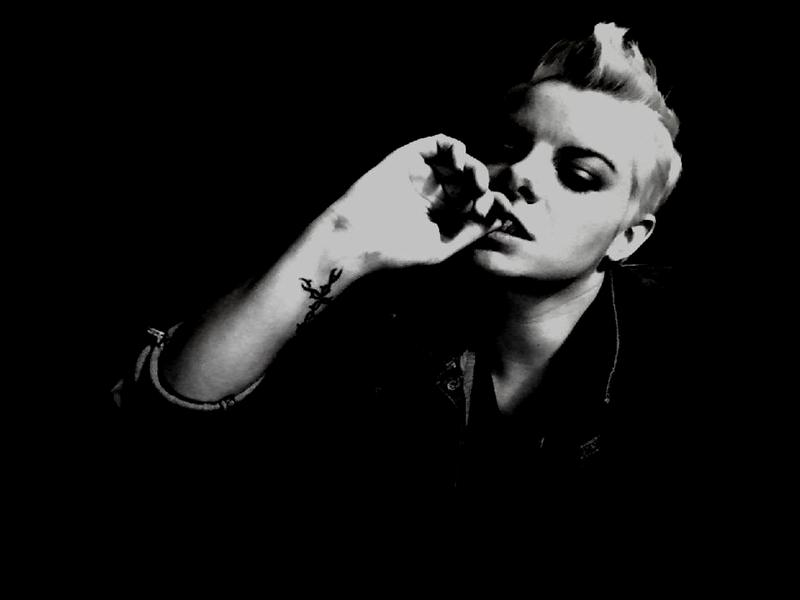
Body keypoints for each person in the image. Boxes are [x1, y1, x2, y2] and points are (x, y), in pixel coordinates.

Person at [115, 22, 687, 507]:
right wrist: (342, 236)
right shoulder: (387, 315)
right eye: (509, 147)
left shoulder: (678, 355)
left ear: (628, 238)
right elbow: (156, 428)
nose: (520, 176)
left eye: (578, 175)